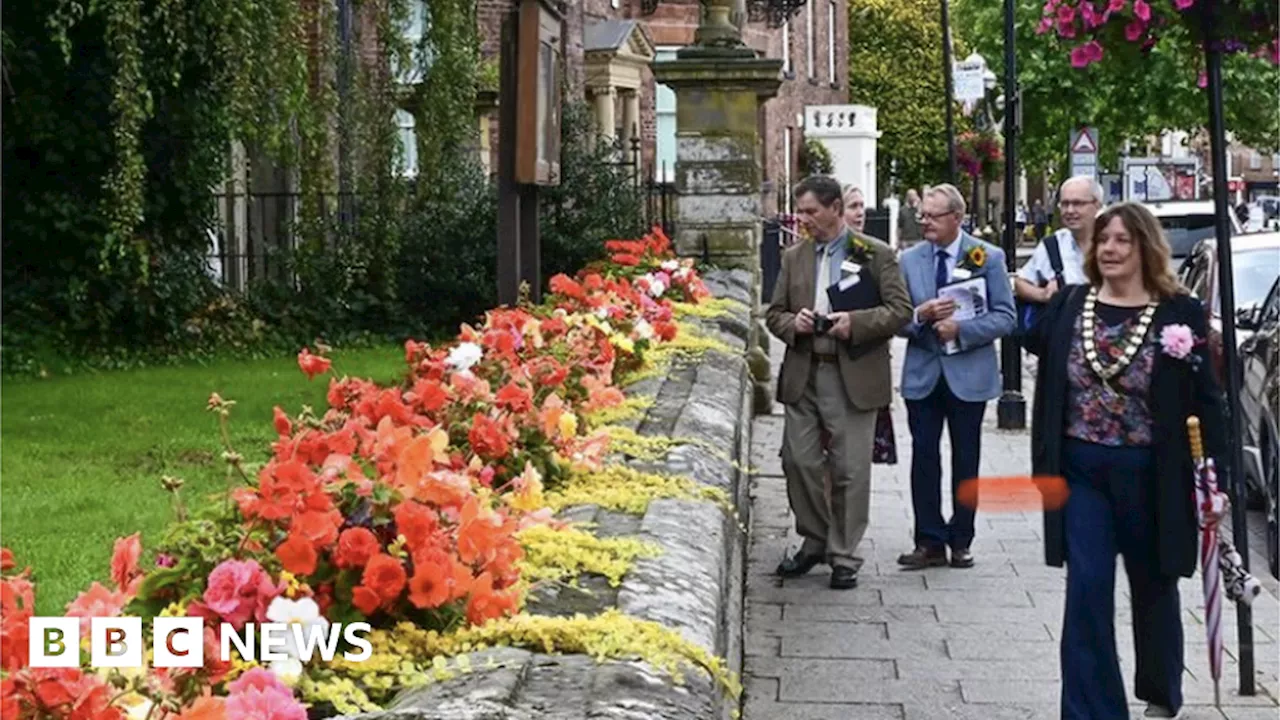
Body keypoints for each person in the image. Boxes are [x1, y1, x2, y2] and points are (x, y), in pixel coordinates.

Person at [1023, 201, 1228, 719]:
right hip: (1081, 469)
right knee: (1087, 585)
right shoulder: (1072, 303)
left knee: (1153, 585)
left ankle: (1159, 691)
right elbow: (1029, 340)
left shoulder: (1178, 312)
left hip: (1152, 472)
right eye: (1103, 240)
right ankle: (1093, 709)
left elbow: (1208, 401)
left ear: (1144, 248)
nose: (1110, 250)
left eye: (1122, 241)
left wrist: (1215, 480)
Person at [766, 175, 913, 589]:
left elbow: (900, 311)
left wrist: (856, 323)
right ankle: (814, 540)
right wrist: (792, 323)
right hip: (804, 369)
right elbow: (774, 312)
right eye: (802, 212)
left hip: (853, 372)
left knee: (850, 470)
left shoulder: (875, 254)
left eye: (812, 211)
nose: (805, 220)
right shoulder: (794, 257)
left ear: (834, 208)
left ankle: (844, 554)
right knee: (799, 461)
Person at [895, 183, 1016, 570]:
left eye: (933, 216)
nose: (925, 222)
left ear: (957, 218)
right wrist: (920, 316)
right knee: (924, 456)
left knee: (967, 458)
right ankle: (928, 540)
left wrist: (962, 331)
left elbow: (1006, 316)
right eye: (923, 216)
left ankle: (961, 538)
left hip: (968, 375)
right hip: (924, 374)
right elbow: (896, 316)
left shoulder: (988, 257)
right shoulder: (909, 260)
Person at [1015, 177, 1103, 335]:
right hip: (1065, 341)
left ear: (1097, 205)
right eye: (1064, 204)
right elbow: (1020, 283)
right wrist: (1044, 295)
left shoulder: (1113, 243)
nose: (1070, 210)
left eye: (1078, 203)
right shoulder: (1053, 245)